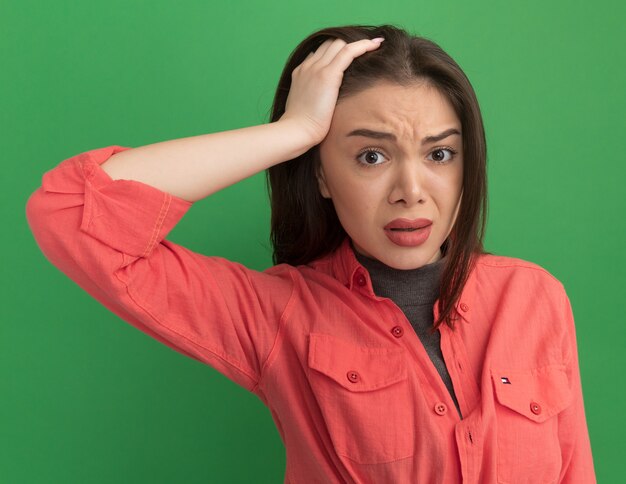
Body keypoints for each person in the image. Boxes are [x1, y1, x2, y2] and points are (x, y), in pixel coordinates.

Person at [25, 23, 596, 483]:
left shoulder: (535, 297)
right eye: (371, 157)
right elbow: (70, 209)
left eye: (440, 155)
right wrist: (292, 132)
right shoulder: (278, 315)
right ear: (321, 175)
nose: (412, 189)